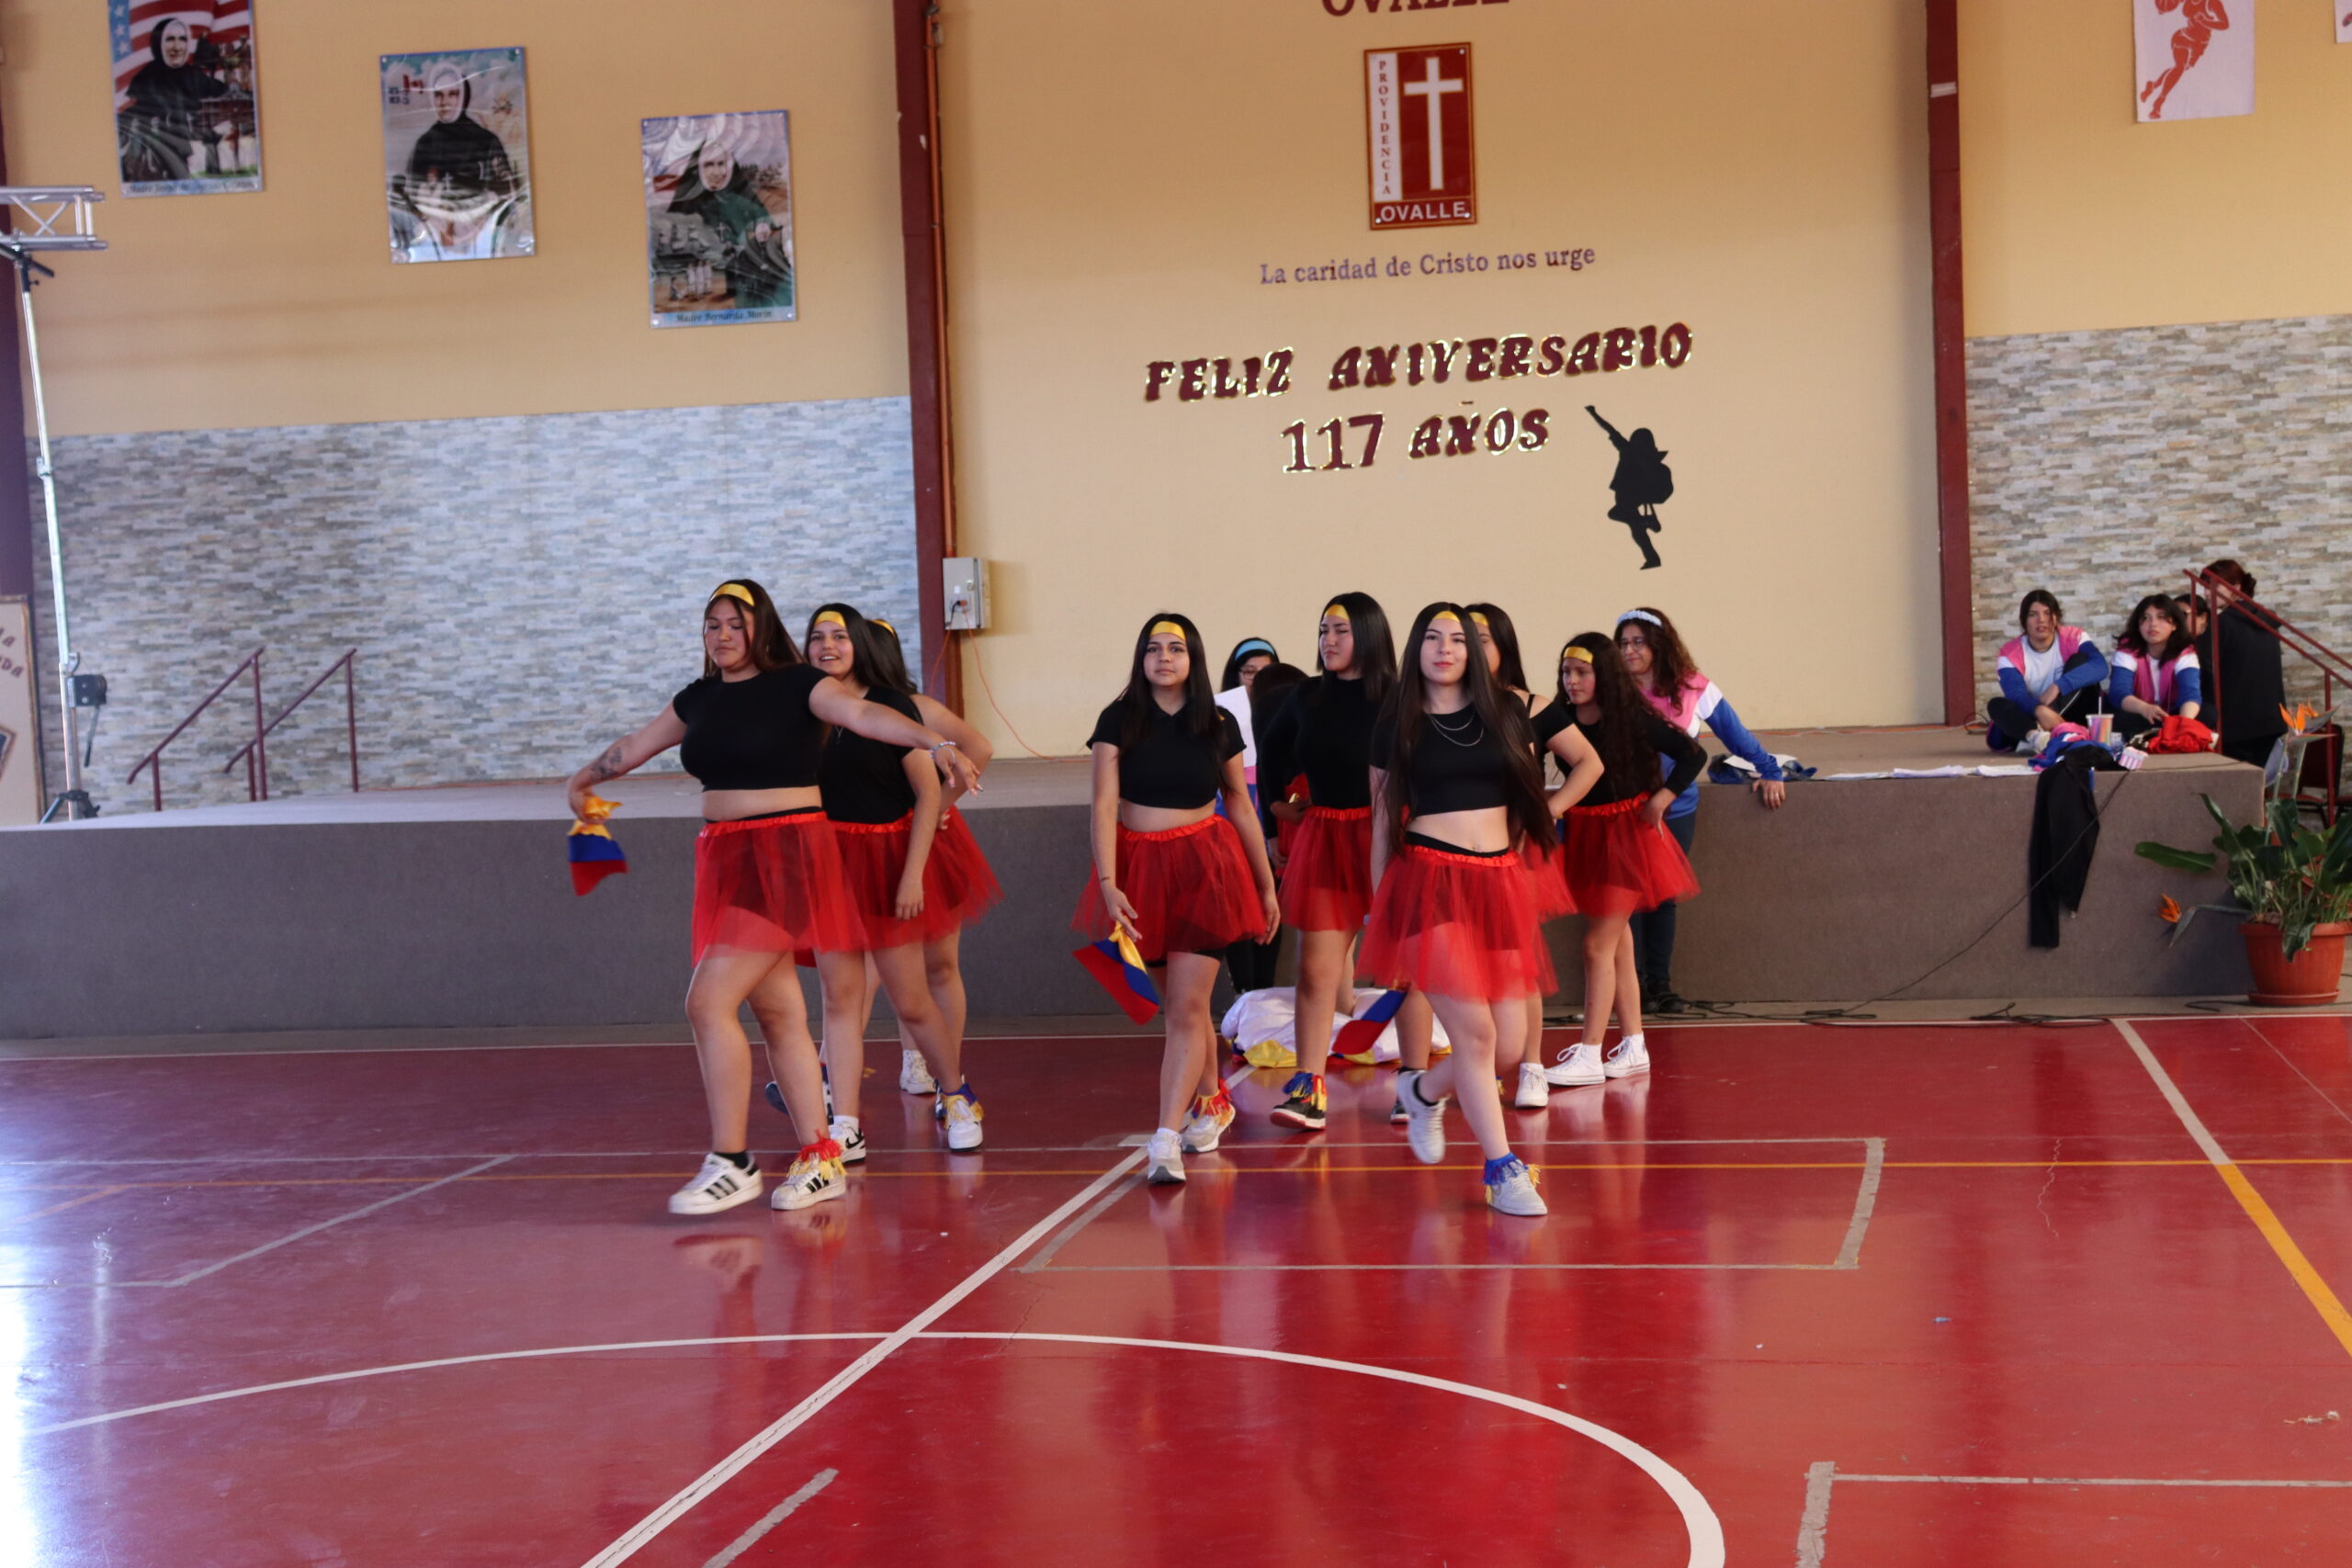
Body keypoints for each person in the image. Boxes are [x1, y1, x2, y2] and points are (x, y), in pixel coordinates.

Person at [565, 581, 978, 1217]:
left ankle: (732, 1160)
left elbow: (866, 716)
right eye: (713, 624)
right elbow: (634, 747)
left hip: (787, 857)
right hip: (727, 858)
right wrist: (584, 777)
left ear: (761, 628)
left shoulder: (800, 685)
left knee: (707, 1001)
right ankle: (822, 1157)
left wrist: (932, 740)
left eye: (736, 623)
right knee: (781, 1014)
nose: (723, 635)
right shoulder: (699, 698)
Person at [1367, 604, 1604, 1216]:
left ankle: (1423, 1091)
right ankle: (1503, 1169)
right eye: (1433, 638)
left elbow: (1585, 763)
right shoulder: (1397, 723)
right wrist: (1379, 910)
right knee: (1474, 1033)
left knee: (1508, 1047)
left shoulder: (1507, 711)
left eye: (1457, 639)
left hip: (1499, 880)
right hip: (1428, 880)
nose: (1445, 648)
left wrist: (1548, 810)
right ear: (1416, 648)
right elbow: (1380, 822)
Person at [1078, 614, 1282, 1185]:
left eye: (1176, 649)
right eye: (1154, 649)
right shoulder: (1117, 719)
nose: (1164, 658)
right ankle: (1213, 1099)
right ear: (1141, 659)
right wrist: (1108, 883)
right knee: (1179, 1009)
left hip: (1204, 867)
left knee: (1189, 1009)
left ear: (1193, 659)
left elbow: (1240, 803)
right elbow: (1103, 805)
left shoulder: (1216, 721)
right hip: (1140, 869)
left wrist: (1265, 884)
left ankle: (1165, 1136)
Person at [799, 604, 998, 1157]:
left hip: (886, 861)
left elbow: (929, 791)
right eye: (817, 637)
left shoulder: (892, 707)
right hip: (829, 865)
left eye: (839, 636)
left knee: (911, 1000)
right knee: (839, 999)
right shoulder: (804, 710)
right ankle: (845, 1124)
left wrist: (912, 876)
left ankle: (956, 1094)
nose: (827, 646)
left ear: (859, 644)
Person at [1253, 594, 1413, 1134]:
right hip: (1326, 838)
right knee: (1315, 970)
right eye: (1324, 630)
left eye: (1341, 630)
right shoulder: (1305, 696)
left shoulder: (1400, 698)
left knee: (1403, 970)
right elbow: (1270, 753)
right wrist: (1276, 816)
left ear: (1368, 634)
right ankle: (1309, 1086)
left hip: (1390, 837)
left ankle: (1413, 1084)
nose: (1329, 640)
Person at [1537, 635, 1706, 1087]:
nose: (1571, 681)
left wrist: (1662, 799)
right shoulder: (1563, 719)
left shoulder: (1632, 718)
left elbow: (1693, 754)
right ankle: (1634, 1045)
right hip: (1586, 835)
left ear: (1605, 675)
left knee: (1597, 945)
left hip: (1627, 838)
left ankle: (1590, 1051)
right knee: (1618, 945)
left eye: (1582, 673)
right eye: (1566, 673)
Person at [1614, 607, 1784, 1014]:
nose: (1629, 650)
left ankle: (1661, 985)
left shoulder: (1693, 685)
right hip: (1623, 809)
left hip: (1676, 809)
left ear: (1660, 643)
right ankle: (1629, 986)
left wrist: (1770, 770)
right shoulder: (1611, 688)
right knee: (1626, 898)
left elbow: (1734, 734)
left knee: (1663, 896)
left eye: (1638, 642)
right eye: (1622, 643)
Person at [862, 616, 1001, 1098]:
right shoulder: (842, 711)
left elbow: (980, 748)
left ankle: (943, 1072)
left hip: (932, 846)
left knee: (937, 964)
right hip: (872, 845)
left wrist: (940, 804)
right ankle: (908, 1062)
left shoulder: (916, 707)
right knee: (878, 967)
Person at [1465, 604, 1574, 1111]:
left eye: (1481, 638)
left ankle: (1531, 1067)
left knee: (1518, 962)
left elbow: (1589, 763)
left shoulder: (1531, 706)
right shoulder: (1447, 705)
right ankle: (1480, 1066)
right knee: (1471, 963)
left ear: (1503, 645)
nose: (1470, 648)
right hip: (1464, 854)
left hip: (1517, 852)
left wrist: (1547, 810)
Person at [397, 62, 526, 261]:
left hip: (483, 235)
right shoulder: (425, 144)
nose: (444, 102)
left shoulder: (486, 141)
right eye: (438, 95)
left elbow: (509, 188)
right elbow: (413, 197)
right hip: (436, 241)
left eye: (452, 94)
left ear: (462, 97)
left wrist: (470, 189)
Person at [667, 141, 793, 310]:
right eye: (709, 165)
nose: (717, 172)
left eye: (721, 164)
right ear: (698, 168)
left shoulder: (747, 205)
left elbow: (770, 244)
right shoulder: (683, 210)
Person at [1986, 590, 2109, 752]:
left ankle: (2049, 736)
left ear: (2056, 617)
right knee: (1996, 704)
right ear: (2024, 621)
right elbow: (2017, 695)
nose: (2041, 620)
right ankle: (2037, 737)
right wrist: (2039, 710)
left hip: (2067, 715)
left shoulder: (2074, 637)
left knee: (2081, 661)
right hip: (2032, 717)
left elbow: (2100, 666)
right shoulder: (2010, 654)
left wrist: (2058, 686)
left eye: (2047, 613)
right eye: (2033, 614)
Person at [2195, 559, 2286, 768]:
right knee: (2257, 781)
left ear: (2236, 587)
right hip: (2270, 720)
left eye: (2214, 586)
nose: (2207, 593)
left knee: (2235, 783)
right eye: (2205, 587)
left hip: (2236, 723)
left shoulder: (2223, 623)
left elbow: (2202, 668)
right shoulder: (2265, 620)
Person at [119, 17, 234, 182]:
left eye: (182, 39)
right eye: (170, 39)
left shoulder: (193, 75)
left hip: (189, 145)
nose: (177, 46)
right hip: (158, 149)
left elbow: (224, 91)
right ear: (158, 44)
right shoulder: (146, 78)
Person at [2108, 593, 2204, 741]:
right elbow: (2119, 692)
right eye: (2146, 618)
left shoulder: (2185, 651)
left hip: (2173, 714)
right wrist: (2145, 708)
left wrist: (2182, 723)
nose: (2153, 624)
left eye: (2161, 617)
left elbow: (2190, 693)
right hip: (2140, 713)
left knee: (2207, 714)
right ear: (2138, 625)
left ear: (2174, 625)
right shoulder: (2128, 649)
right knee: (2120, 718)